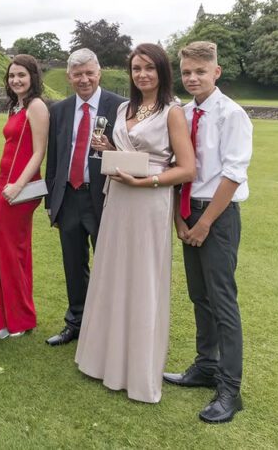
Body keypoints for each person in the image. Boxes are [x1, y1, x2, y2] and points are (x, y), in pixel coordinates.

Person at [74, 43, 195, 402]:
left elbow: (187, 168)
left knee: (142, 278)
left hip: (149, 201)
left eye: (149, 68)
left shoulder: (172, 111)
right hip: (118, 198)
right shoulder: (124, 108)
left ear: (162, 71)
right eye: (136, 68)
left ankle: (137, 371)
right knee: (113, 274)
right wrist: (108, 148)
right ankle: (102, 360)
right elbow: (127, 153)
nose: (142, 74)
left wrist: (148, 182)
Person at [163, 40, 253, 424]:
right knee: (199, 296)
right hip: (189, 211)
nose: (193, 78)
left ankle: (230, 389)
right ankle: (205, 366)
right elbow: (177, 167)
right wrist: (180, 219)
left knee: (222, 301)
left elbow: (233, 174)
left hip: (217, 215)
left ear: (216, 72)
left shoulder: (232, 115)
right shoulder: (183, 114)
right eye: (186, 72)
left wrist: (204, 223)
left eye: (200, 71)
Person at [43, 48, 125, 346]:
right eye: (78, 74)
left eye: (90, 73)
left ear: (99, 73)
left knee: (108, 265)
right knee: (73, 264)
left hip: (103, 197)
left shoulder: (119, 106)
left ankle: (105, 326)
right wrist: (51, 202)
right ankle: (75, 322)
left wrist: (111, 149)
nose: (84, 79)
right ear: (69, 76)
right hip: (69, 197)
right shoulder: (59, 110)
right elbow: (54, 157)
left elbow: (129, 152)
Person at [0, 54, 49, 336]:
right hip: (4, 183)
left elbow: (38, 152)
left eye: (21, 75)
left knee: (11, 252)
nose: (16, 80)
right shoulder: (16, 106)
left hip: (20, 187)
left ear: (33, 77)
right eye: (12, 76)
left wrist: (18, 185)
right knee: (2, 248)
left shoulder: (36, 106)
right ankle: (4, 311)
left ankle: (21, 319)